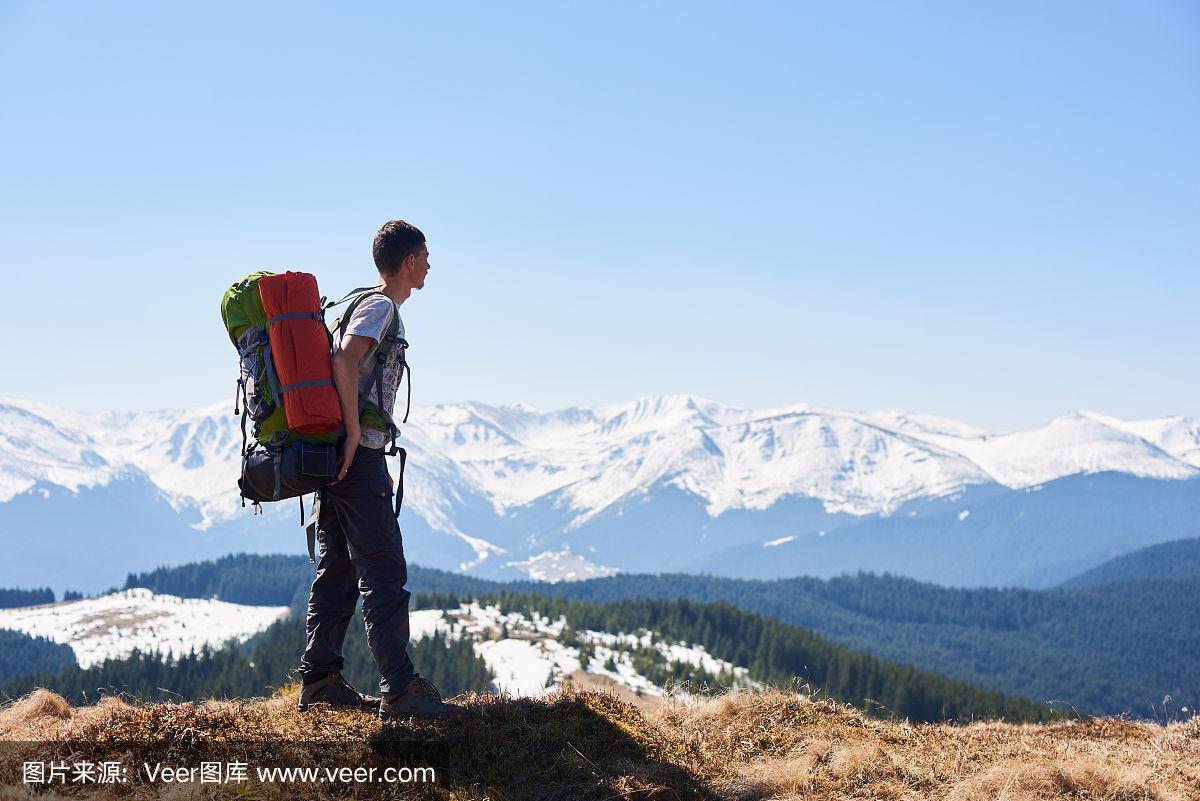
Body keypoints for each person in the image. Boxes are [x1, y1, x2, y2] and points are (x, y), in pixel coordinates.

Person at [296, 219, 457, 719]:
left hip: (339, 457)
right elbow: (345, 363)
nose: (430, 264)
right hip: (354, 454)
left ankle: (320, 680)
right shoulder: (381, 306)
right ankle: (400, 689)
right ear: (408, 261)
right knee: (383, 570)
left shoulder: (359, 300)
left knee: (339, 569)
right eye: (426, 255)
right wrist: (352, 436)